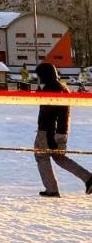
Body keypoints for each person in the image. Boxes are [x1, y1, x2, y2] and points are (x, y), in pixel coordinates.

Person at [34, 61, 92, 198]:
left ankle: (51, 189)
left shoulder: (50, 90)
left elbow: (48, 116)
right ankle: (89, 178)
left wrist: (49, 136)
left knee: (41, 156)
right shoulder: (61, 87)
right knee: (59, 157)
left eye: (39, 76)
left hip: (47, 131)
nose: (38, 79)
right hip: (61, 130)